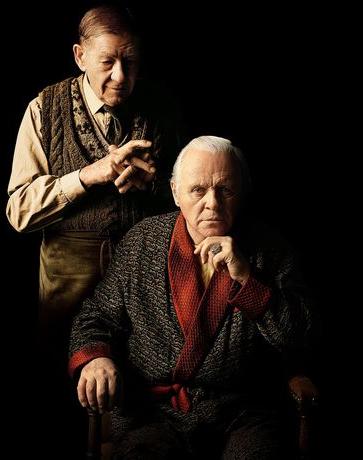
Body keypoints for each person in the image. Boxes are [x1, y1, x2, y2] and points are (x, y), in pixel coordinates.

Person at [68, 136, 318, 459]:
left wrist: (247, 279)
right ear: (175, 192)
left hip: (242, 414)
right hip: (153, 413)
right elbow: (95, 317)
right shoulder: (142, 242)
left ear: (242, 193)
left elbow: (303, 337)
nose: (212, 203)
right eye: (198, 190)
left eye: (225, 190)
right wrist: (96, 359)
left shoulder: (269, 247)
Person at [5, 4, 184, 455]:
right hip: (67, 287)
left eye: (131, 62)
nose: (120, 76)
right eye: (108, 62)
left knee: (139, 400)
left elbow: (194, 200)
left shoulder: (163, 106)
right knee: (62, 405)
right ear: (79, 56)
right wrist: (89, 176)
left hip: (144, 284)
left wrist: (155, 186)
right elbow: (19, 210)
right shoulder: (43, 108)